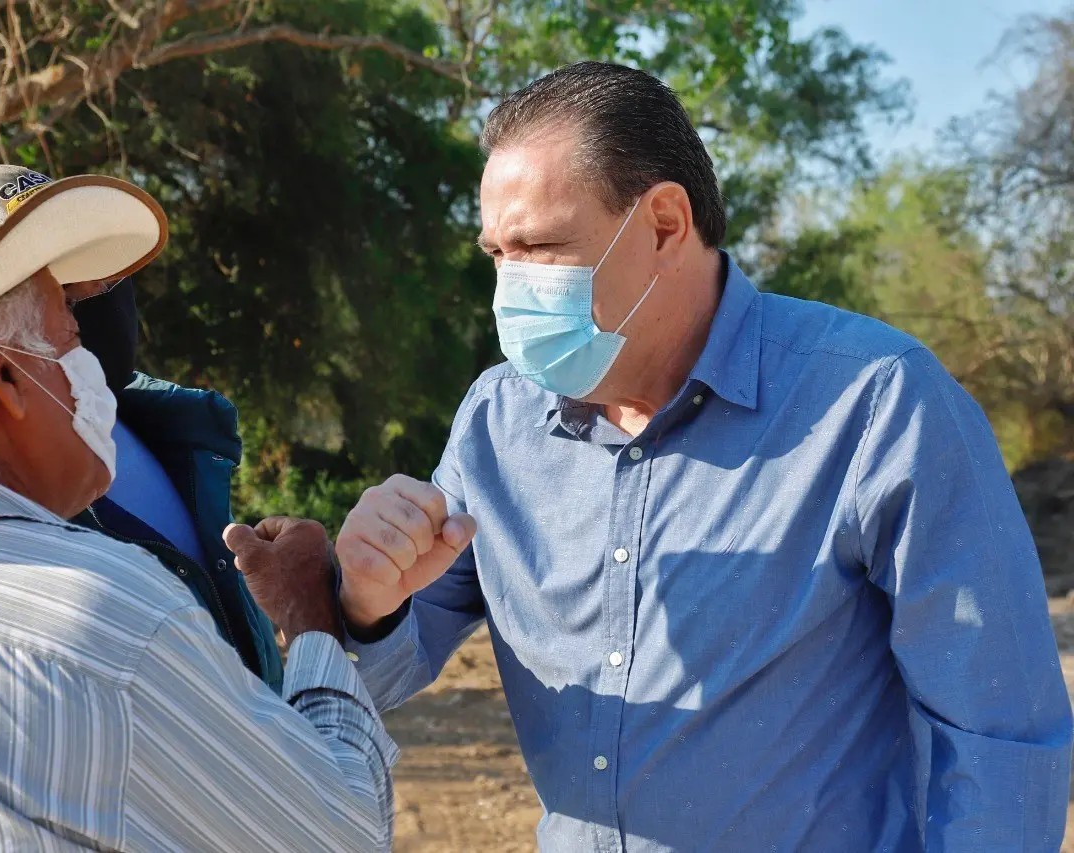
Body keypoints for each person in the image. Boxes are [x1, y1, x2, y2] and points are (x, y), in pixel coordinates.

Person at [318, 62, 1073, 851]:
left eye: (540, 246)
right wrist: (371, 600)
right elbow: (383, 672)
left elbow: (997, 735)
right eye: (497, 254)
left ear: (667, 225)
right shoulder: (495, 425)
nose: (511, 288)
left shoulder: (876, 404)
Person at [0, 156, 397, 850]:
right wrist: (311, 619)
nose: (89, 365)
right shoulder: (110, 622)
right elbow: (343, 831)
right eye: (69, 334)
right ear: (4, 375)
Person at [0, 164, 283, 692]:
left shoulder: (174, 426)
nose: (102, 291)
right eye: (67, 289)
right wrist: (316, 628)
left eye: (110, 277)